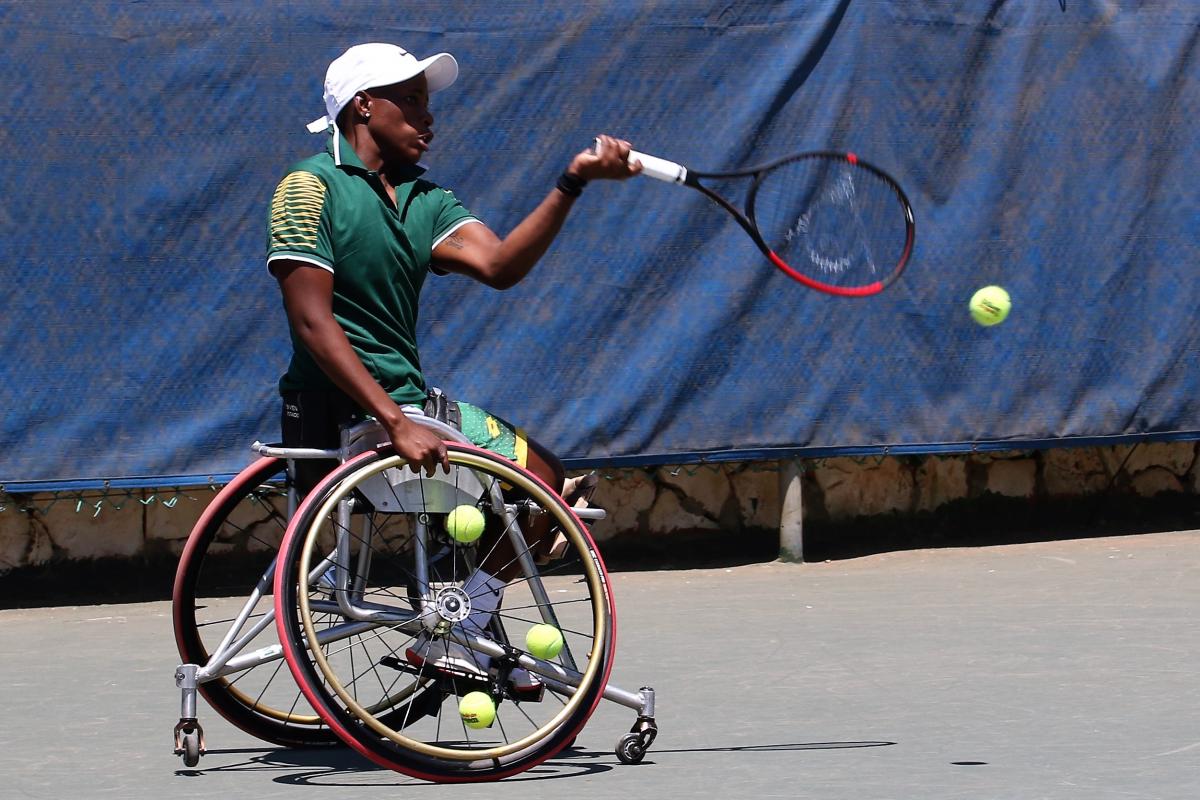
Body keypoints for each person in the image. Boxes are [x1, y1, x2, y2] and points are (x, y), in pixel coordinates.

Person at [266, 42, 639, 686]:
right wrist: (393, 420)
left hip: (407, 407)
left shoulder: (424, 199)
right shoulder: (306, 188)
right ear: (363, 105)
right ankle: (465, 627)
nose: (426, 117)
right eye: (408, 101)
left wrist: (572, 181)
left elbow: (499, 265)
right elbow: (310, 322)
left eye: (427, 102)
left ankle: (464, 626)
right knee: (531, 484)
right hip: (345, 413)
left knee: (547, 481)